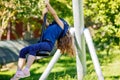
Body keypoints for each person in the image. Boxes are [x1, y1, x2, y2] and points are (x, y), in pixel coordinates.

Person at [10, 0, 75, 80]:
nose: (57, 20)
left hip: (48, 45)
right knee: (23, 51)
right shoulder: (51, 27)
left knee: (33, 48)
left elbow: (54, 14)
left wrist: (48, 4)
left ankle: (27, 70)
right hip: (43, 43)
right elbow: (45, 22)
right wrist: (43, 13)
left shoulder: (61, 26)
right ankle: (19, 72)